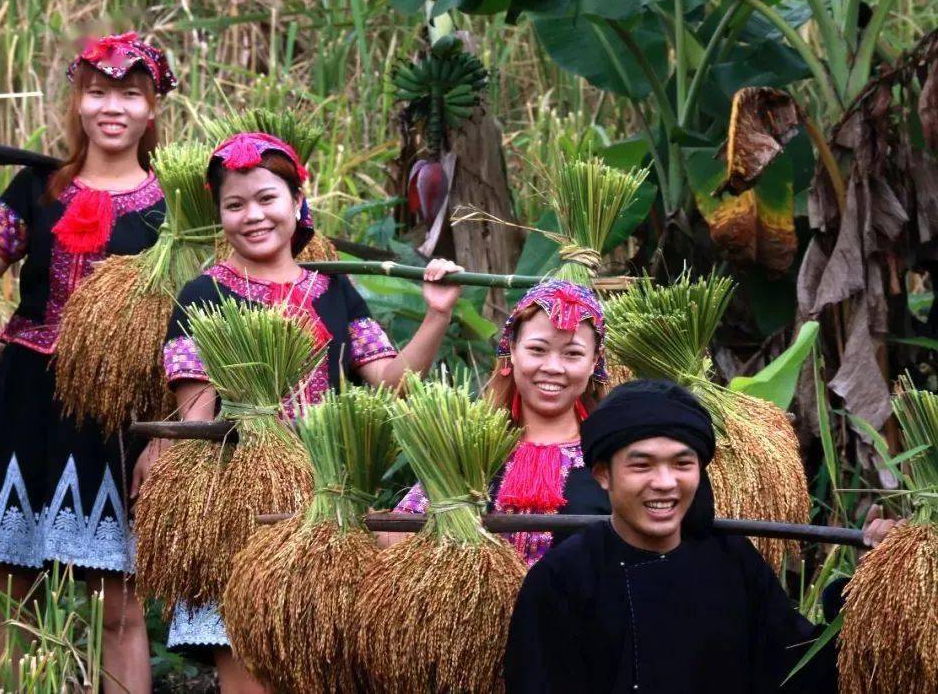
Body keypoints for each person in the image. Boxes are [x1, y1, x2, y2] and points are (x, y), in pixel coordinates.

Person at [134, 130, 464, 693]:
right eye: (234, 205)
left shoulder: (334, 292)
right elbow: (196, 410)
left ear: (296, 203)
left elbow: (388, 382)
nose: (253, 216)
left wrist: (435, 316)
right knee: (246, 668)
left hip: (326, 502)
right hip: (238, 508)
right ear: (219, 216)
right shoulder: (203, 294)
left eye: (267, 199)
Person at [0, 31, 176, 693]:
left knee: (120, 606)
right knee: (13, 596)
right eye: (98, 92)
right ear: (78, 102)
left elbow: (197, 327)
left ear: (152, 108)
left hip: (119, 416)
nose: (113, 107)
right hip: (24, 400)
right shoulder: (35, 188)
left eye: (130, 95)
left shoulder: (176, 209)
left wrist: (165, 437)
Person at [504, 379, 902, 694]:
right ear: (603, 474)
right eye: (641, 465)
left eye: (682, 464)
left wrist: (874, 584)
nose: (664, 483)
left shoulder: (731, 560)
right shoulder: (562, 580)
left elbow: (798, 670)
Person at [393, 279, 611, 566]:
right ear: (512, 349)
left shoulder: (610, 455)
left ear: (594, 361)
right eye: (537, 350)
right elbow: (394, 538)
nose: (553, 368)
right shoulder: (472, 445)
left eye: (572, 354)